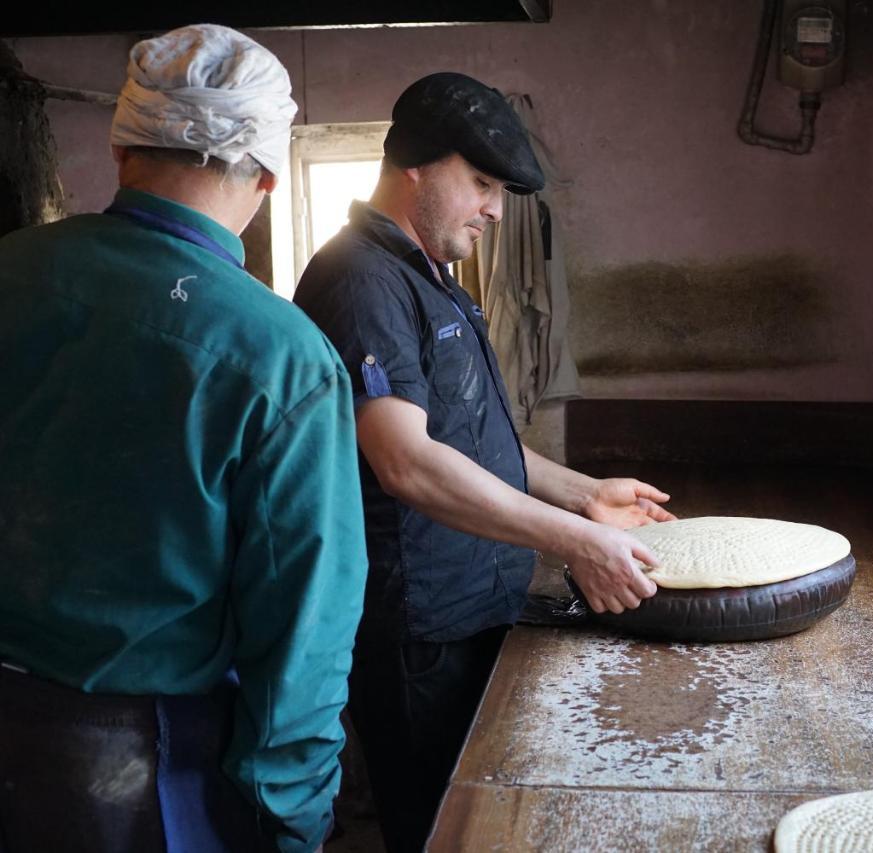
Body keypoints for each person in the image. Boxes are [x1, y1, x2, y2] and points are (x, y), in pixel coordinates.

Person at [0, 24, 366, 853]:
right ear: (268, 174)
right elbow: (303, 629)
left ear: (122, 146)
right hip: (137, 769)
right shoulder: (279, 355)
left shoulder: (13, 269)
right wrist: (293, 819)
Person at [293, 72, 675, 852]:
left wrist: (584, 494)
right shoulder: (361, 280)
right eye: (481, 183)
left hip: (473, 615)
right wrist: (574, 543)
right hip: (417, 633)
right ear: (416, 167)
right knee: (443, 830)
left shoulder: (431, 278)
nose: (496, 209)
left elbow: (474, 445)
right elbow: (407, 464)